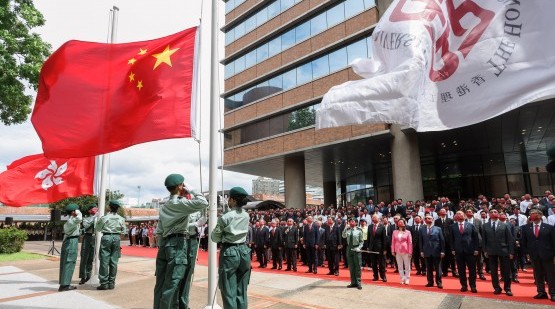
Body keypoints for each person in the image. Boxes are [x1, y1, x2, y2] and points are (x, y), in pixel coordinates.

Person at [153, 174, 209, 309]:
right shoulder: (180, 203)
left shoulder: (165, 205)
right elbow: (203, 202)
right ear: (180, 186)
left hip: (165, 245)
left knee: (161, 282)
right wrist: (192, 189)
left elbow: (159, 231)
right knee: (172, 282)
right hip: (177, 244)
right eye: (183, 184)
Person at [212, 187, 251, 309]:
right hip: (244, 251)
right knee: (242, 289)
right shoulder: (246, 215)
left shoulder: (225, 217)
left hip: (230, 252)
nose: (228, 200)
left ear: (233, 200)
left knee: (228, 290)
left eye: (229, 198)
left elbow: (215, 237)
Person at [521, 209, 555, 302]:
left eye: (534, 214)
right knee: (538, 275)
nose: (532, 216)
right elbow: (524, 242)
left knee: (550, 275)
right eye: (530, 214)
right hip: (534, 255)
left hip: (548, 255)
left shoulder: (549, 228)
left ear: (540, 215)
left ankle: (553, 293)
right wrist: (527, 253)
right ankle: (541, 292)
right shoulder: (526, 228)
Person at [482, 209, 514, 296]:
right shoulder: (485, 225)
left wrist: (511, 252)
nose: (493, 213)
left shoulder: (505, 225)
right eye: (491, 212)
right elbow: (484, 240)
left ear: (498, 214)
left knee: (506, 271)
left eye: (495, 212)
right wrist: (485, 250)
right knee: (493, 271)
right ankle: (496, 288)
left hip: (504, 250)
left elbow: (510, 239)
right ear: (489, 214)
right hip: (491, 251)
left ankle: (507, 288)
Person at [96, 200, 126, 290]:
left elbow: (98, 228)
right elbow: (124, 231)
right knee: (114, 261)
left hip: (106, 237)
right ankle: (111, 283)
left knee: (104, 261)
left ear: (109, 207)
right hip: (116, 238)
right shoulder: (121, 218)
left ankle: (104, 284)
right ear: (117, 208)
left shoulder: (105, 217)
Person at [180, 211, 206, 307]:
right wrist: (195, 223)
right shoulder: (179, 205)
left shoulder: (197, 209)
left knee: (188, 274)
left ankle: (183, 304)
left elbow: (204, 218)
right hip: (180, 240)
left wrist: (205, 211)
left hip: (192, 240)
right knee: (177, 273)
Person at [450, 211, 479, 293]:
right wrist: (452, 249)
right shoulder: (452, 226)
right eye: (457, 214)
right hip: (458, 251)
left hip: (470, 251)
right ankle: (464, 285)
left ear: (465, 216)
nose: (459, 215)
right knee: (461, 270)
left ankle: (473, 286)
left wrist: (476, 249)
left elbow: (475, 238)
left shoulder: (471, 225)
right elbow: (451, 239)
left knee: (472, 270)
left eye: (461, 214)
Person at [58, 203, 82, 292]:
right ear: (73, 212)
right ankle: (65, 285)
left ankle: (64, 283)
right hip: (71, 241)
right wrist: (78, 212)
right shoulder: (72, 221)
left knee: (66, 262)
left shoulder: (71, 220)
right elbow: (79, 218)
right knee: (69, 262)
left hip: (69, 241)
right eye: (76, 210)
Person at [420, 213, 445, 289]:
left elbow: (442, 240)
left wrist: (442, 251)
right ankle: (430, 282)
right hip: (426, 251)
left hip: (436, 251)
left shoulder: (438, 229)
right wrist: (421, 251)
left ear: (432, 220)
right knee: (429, 268)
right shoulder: (422, 229)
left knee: (438, 268)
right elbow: (421, 241)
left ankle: (439, 282)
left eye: (429, 218)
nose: (427, 220)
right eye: (426, 218)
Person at [78, 205, 97, 285]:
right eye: (93, 208)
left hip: (95, 238)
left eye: (96, 208)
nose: (95, 209)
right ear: (89, 211)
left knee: (91, 258)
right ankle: (83, 277)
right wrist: (94, 218)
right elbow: (86, 226)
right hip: (88, 237)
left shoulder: (98, 218)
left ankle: (88, 276)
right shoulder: (86, 219)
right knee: (84, 258)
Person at [342, 218, 363, 290]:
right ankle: (353, 282)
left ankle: (358, 282)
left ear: (356, 223)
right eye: (350, 221)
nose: (351, 222)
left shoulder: (359, 231)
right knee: (351, 266)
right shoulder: (347, 230)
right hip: (349, 249)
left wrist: (359, 248)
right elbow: (343, 236)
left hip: (356, 248)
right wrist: (345, 227)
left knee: (357, 266)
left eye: (352, 221)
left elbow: (361, 241)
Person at [391, 218, 412, 285]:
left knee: (407, 266)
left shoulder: (408, 232)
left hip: (406, 251)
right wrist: (393, 250)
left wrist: (410, 252)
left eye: (401, 222)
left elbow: (410, 243)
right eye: (399, 222)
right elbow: (393, 242)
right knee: (399, 266)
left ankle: (407, 278)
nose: (400, 223)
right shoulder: (394, 232)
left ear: (404, 224)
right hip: (397, 251)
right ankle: (402, 278)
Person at [368, 214, 387, 282]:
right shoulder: (370, 227)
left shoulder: (382, 227)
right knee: (373, 263)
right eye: (372, 218)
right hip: (372, 248)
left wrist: (384, 249)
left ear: (378, 219)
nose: (373, 219)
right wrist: (368, 247)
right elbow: (368, 238)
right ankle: (375, 276)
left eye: (374, 218)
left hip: (380, 248)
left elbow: (384, 239)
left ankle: (383, 276)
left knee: (381, 263)